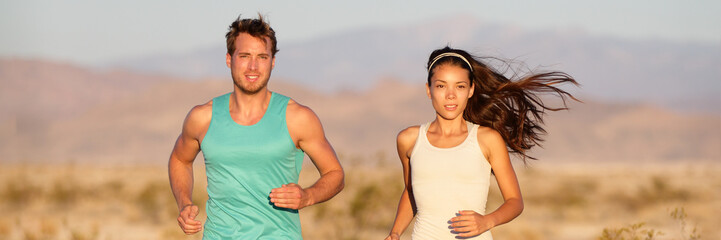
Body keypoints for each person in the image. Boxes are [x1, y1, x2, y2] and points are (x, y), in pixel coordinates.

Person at [168, 14, 344, 239]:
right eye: (244, 56)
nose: (253, 66)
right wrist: (184, 203)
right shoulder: (202, 117)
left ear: (272, 61)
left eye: (262, 57)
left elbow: (335, 174)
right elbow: (180, 160)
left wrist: (307, 196)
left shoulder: (298, 118)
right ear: (229, 59)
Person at [385, 47, 578, 239]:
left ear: (471, 90)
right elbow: (411, 191)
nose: (450, 95)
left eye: (460, 86)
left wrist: (487, 221)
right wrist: (395, 233)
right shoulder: (409, 140)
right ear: (429, 90)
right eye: (441, 86)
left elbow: (515, 201)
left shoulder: (487, 139)